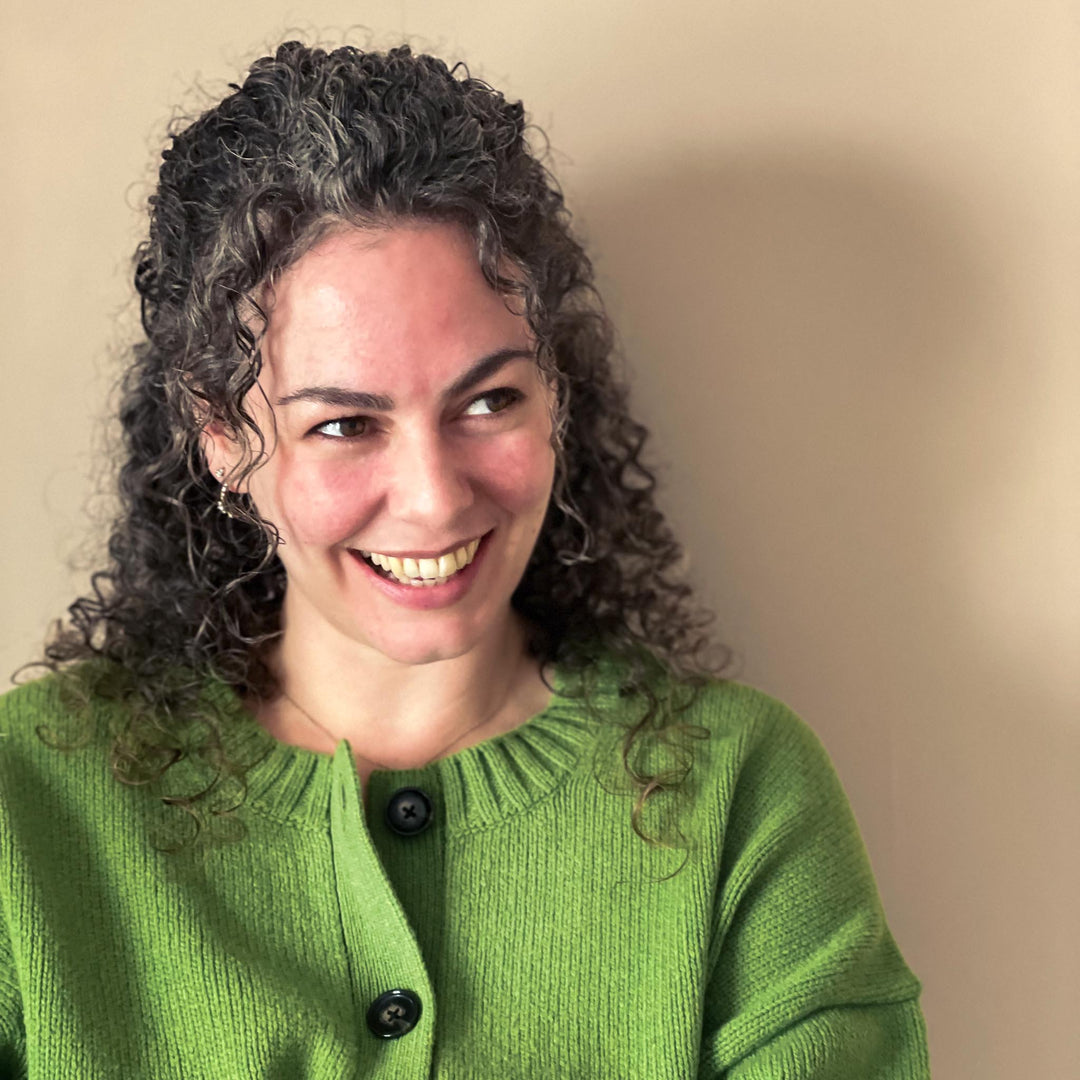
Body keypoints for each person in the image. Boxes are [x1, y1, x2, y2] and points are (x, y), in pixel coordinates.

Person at [0, 41, 930, 1078]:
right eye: (346, 425)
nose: (437, 497)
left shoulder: (737, 795)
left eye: (490, 401)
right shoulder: (29, 803)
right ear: (223, 435)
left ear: (557, 396)